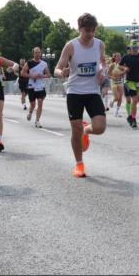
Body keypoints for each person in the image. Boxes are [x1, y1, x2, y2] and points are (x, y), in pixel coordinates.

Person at [54, 13, 108, 177]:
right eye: (87, 30)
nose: (90, 34)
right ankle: (79, 165)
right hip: (75, 92)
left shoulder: (99, 44)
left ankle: (87, 130)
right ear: (80, 29)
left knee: (100, 128)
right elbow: (57, 68)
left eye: (93, 30)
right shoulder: (71, 46)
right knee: (75, 129)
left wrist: (102, 72)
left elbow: (103, 63)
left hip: (92, 91)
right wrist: (61, 72)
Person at [120, 43, 139, 127]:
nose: (135, 49)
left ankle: (130, 116)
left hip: (138, 81)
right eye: (134, 47)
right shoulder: (126, 57)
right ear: (130, 48)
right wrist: (125, 68)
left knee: (136, 101)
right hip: (129, 82)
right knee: (134, 100)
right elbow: (119, 65)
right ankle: (133, 119)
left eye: (137, 47)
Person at [22, 46, 50, 127]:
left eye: (39, 52)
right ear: (33, 53)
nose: (37, 54)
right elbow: (23, 73)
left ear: (40, 53)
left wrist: (42, 76)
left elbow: (48, 74)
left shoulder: (44, 64)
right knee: (33, 104)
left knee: (40, 102)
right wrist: (32, 76)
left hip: (41, 86)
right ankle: (30, 112)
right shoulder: (29, 63)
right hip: (32, 86)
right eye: (36, 52)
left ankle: (37, 121)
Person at [107, 52, 127, 117]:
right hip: (113, 83)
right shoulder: (112, 65)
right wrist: (114, 77)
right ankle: (112, 101)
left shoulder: (122, 65)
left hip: (120, 82)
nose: (119, 57)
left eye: (120, 56)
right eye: (117, 56)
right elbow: (108, 74)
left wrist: (123, 73)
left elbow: (124, 73)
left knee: (120, 98)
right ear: (114, 57)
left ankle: (116, 112)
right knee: (117, 97)